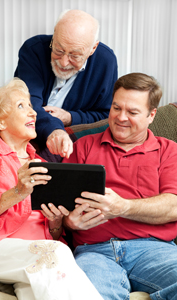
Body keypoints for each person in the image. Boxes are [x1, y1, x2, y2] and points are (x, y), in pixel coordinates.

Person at [0, 78, 104, 300]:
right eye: (21, 106)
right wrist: (17, 192)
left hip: (34, 255)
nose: (33, 113)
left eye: (31, 105)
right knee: (55, 253)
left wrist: (55, 223)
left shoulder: (43, 165)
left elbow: (53, 234)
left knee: (43, 286)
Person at [62, 73, 177, 300]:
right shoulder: (83, 146)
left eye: (132, 112)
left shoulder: (169, 150)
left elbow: (173, 206)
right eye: (116, 108)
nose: (120, 118)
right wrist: (67, 222)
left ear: (151, 115)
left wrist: (123, 207)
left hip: (155, 249)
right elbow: (59, 207)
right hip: (94, 251)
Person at [14, 9, 118, 159]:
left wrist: (71, 117)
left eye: (74, 56)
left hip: (75, 140)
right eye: (58, 50)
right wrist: (54, 129)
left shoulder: (106, 62)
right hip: (30, 132)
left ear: (92, 49)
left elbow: (105, 116)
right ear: (54, 34)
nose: (63, 62)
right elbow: (27, 104)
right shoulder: (34, 50)